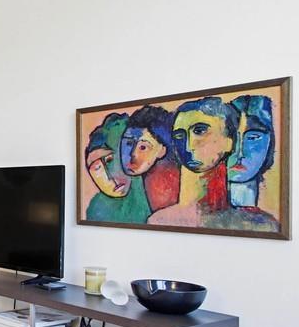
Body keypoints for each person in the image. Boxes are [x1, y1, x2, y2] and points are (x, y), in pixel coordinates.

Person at [148, 96, 278, 232]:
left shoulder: (259, 224)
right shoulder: (159, 220)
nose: (188, 146)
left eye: (199, 131)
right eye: (179, 136)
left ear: (229, 141)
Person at [84, 113, 150, 223]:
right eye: (97, 169)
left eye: (110, 160)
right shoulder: (96, 211)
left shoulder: (151, 193)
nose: (110, 177)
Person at [120, 105, 180, 212]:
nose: (133, 154)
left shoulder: (163, 186)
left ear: (161, 151)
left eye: (143, 147)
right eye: (128, 143)